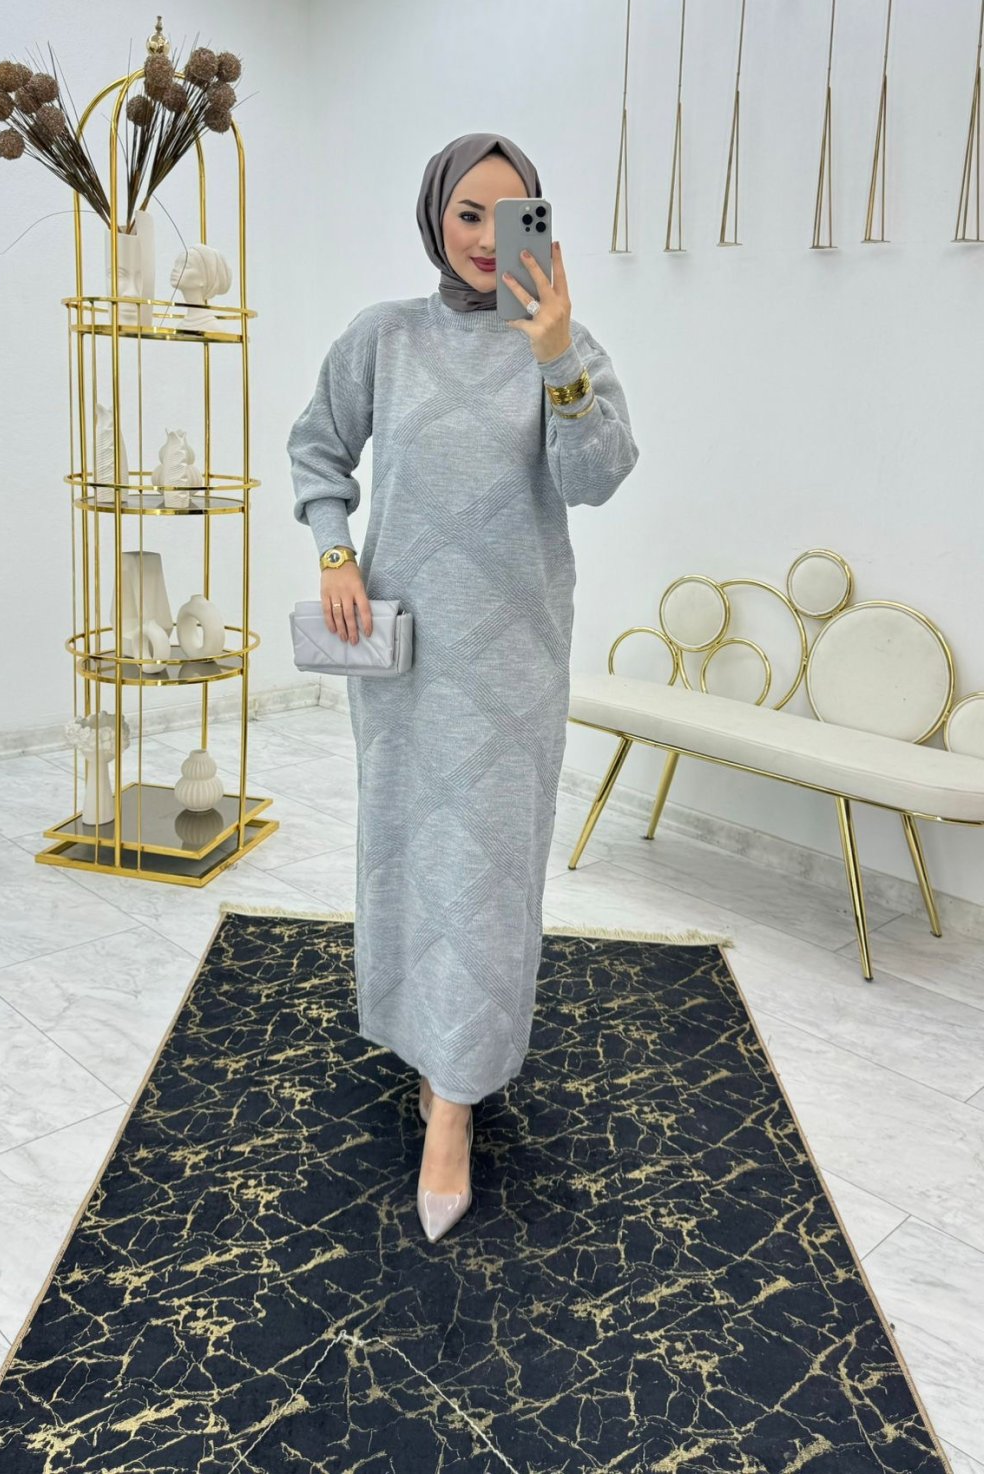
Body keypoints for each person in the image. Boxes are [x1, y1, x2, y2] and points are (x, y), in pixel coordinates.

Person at [287, 132, 639, 1243]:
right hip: (404, 657)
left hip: (513, 662)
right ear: (435, 217)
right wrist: (335, 551)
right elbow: (317, 449)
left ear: (541, 221)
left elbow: (596, 476)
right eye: (468, 214)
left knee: (487, 871)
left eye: (512, 214)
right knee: (408, 849)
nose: (489, 238)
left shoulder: (563, 341)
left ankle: (456, 1100)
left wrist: (554, 351)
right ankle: (417, 1035)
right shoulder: (383, 337)